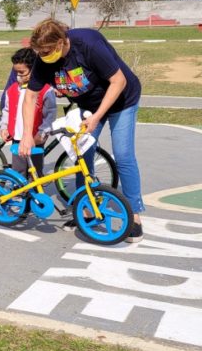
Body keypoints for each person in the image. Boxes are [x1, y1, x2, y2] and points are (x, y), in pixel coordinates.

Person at [18, 19, 144, 243]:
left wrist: (97, 117)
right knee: (81, 154)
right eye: (39, 52)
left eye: (46, 51)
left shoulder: (88, 44)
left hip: (122, 100)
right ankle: (85, 210)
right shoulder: (44, 60)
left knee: (123, 155)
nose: (43, 56)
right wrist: (27, 134)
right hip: (89, 106)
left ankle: (134, 216)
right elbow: (30, 96)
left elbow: (118, 80)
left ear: (60, 42)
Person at [0, 48, 57, 178]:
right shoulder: (12, 90)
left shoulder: (46, 91)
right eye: (16, 72)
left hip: (36, 138)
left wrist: (42, 133)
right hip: (17, 139)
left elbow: (50, 115)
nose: (18, 76)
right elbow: (6, 110)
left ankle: (35, 196)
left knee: (36, 173)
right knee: (18, 172)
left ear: (34, 70)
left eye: (22, 72)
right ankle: (19, 195)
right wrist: (4, 127)